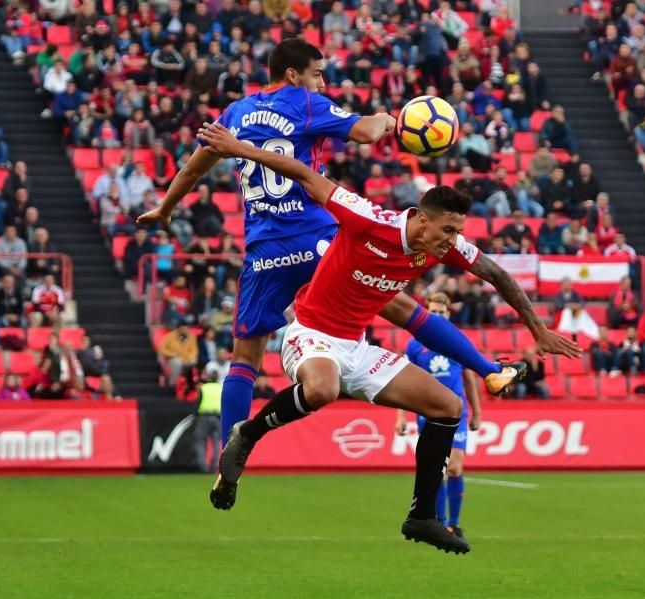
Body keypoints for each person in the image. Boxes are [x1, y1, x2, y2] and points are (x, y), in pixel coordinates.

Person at [199, 121, 581, 554]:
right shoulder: (366, 217)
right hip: (312, 334)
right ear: (420, 219)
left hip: (358, 348)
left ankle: (422, 516)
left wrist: (537, 328)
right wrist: (237, 147)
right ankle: (248, 434)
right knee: (322, 388)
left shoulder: (446, 246)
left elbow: (494, 272)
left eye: (458, 232)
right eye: (447, 231)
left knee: (448, 406)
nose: (453, 242)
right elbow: (303, 173)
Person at [137, 39, 520, 444]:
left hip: (264, 251)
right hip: (318, 240)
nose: (321, 83)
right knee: (401, 306)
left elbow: (193, 171)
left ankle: (231, 452)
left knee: (244, 358)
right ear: (293, 75)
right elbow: (365, 132)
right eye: (317, 74)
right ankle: (488, 368)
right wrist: (390, 119)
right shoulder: (304, 103)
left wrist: (165, 208)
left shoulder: (236, 112)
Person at [394, 292, 482, 540]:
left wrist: (477, 411)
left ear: (448, 313)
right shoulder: (415, 345)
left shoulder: (458, 341)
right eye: (433, 312)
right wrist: (400, 417)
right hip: (429, 411)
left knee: (455, 467)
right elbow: (404, 383)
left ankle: (454, 523)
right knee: (438, 469)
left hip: (459, 411)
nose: (438, 316)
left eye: (442, 312)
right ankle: (439, 523)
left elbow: (468, 378)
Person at [194, 368, 223, 473]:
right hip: (217, 417)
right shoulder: (221, 387)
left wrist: (195, 414)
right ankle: (214, 466)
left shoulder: (204, 387)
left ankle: (203, 466)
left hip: (204, 416)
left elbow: (198, 401)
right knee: (216, 442)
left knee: (200, 440)